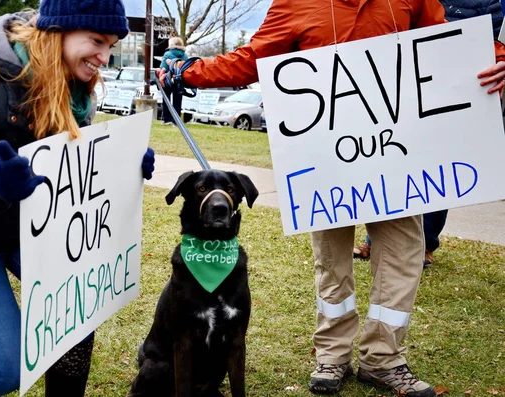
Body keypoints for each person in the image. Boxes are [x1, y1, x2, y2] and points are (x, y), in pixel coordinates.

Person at [157, 1, 505, 396]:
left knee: (403, 254)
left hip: (398, 157)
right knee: (331, 258)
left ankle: (384, 360)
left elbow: (449, 43)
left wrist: (498, 58)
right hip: (327, 161)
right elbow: (256, 57)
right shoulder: (295, 3)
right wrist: (190, 73)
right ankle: (332, 355)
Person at [0, 0, 156, 396]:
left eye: (110, 45)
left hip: (27, 231)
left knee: (76, 318)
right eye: (96, 40)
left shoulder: (77, 89)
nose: (105, 57)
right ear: (58, 31)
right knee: (5, 369)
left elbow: (72, 167)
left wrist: (122, 168)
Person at [354, 0, 505, 269]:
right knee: (395, 156)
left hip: (463, 69)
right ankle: (375, 239)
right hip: (412, 71)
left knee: (440, 161)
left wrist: (500, 57)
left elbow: (482, 40)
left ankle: (426, 242)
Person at [159, 36, 188, 125]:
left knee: (166, 99)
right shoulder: (185, 56)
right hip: (179, 80)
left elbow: (163, 67)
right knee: (177, 100)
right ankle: (176, 121)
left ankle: (166, 118)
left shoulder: (167, 54)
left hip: (168, 79)